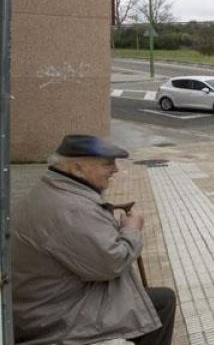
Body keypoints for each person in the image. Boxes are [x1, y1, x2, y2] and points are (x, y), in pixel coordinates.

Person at [11, 135, 176, 345]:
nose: (115, 170)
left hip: (48, 304)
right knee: (160, 303)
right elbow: (113, 262)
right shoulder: (71, 209)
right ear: (76, 168)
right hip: (58, 320)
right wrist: (132, 230)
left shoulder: (54, 190)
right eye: (107, 164)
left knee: (157, 300)